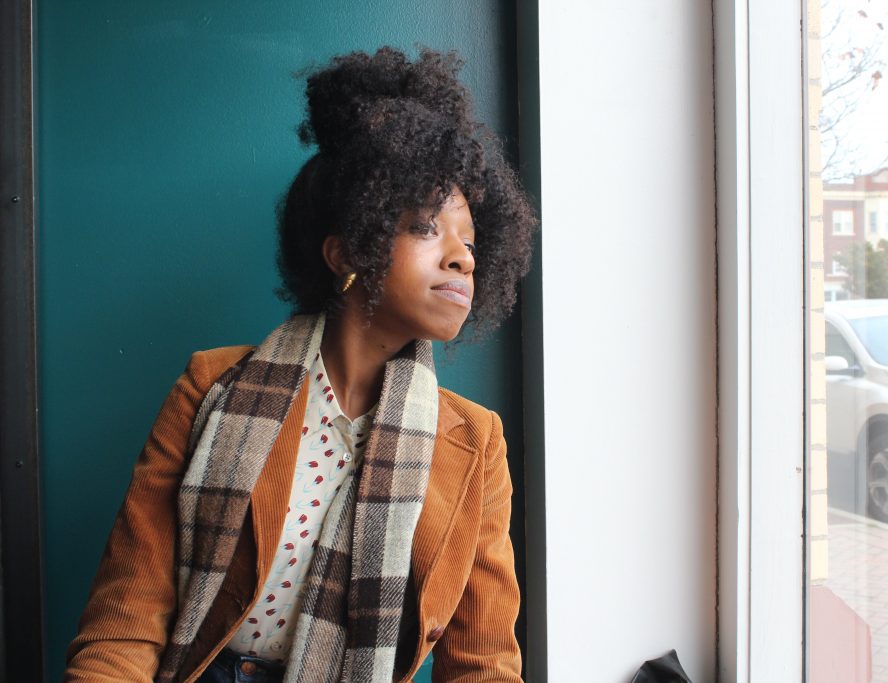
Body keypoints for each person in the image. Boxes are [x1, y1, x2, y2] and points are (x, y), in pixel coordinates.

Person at [64, 46, 536, 683]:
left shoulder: (474, 445)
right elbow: (129, 615)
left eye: (473, 243)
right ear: (347, 251)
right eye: (428, 227)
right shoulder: (210, 387)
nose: (464, 259)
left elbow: (484, 663)